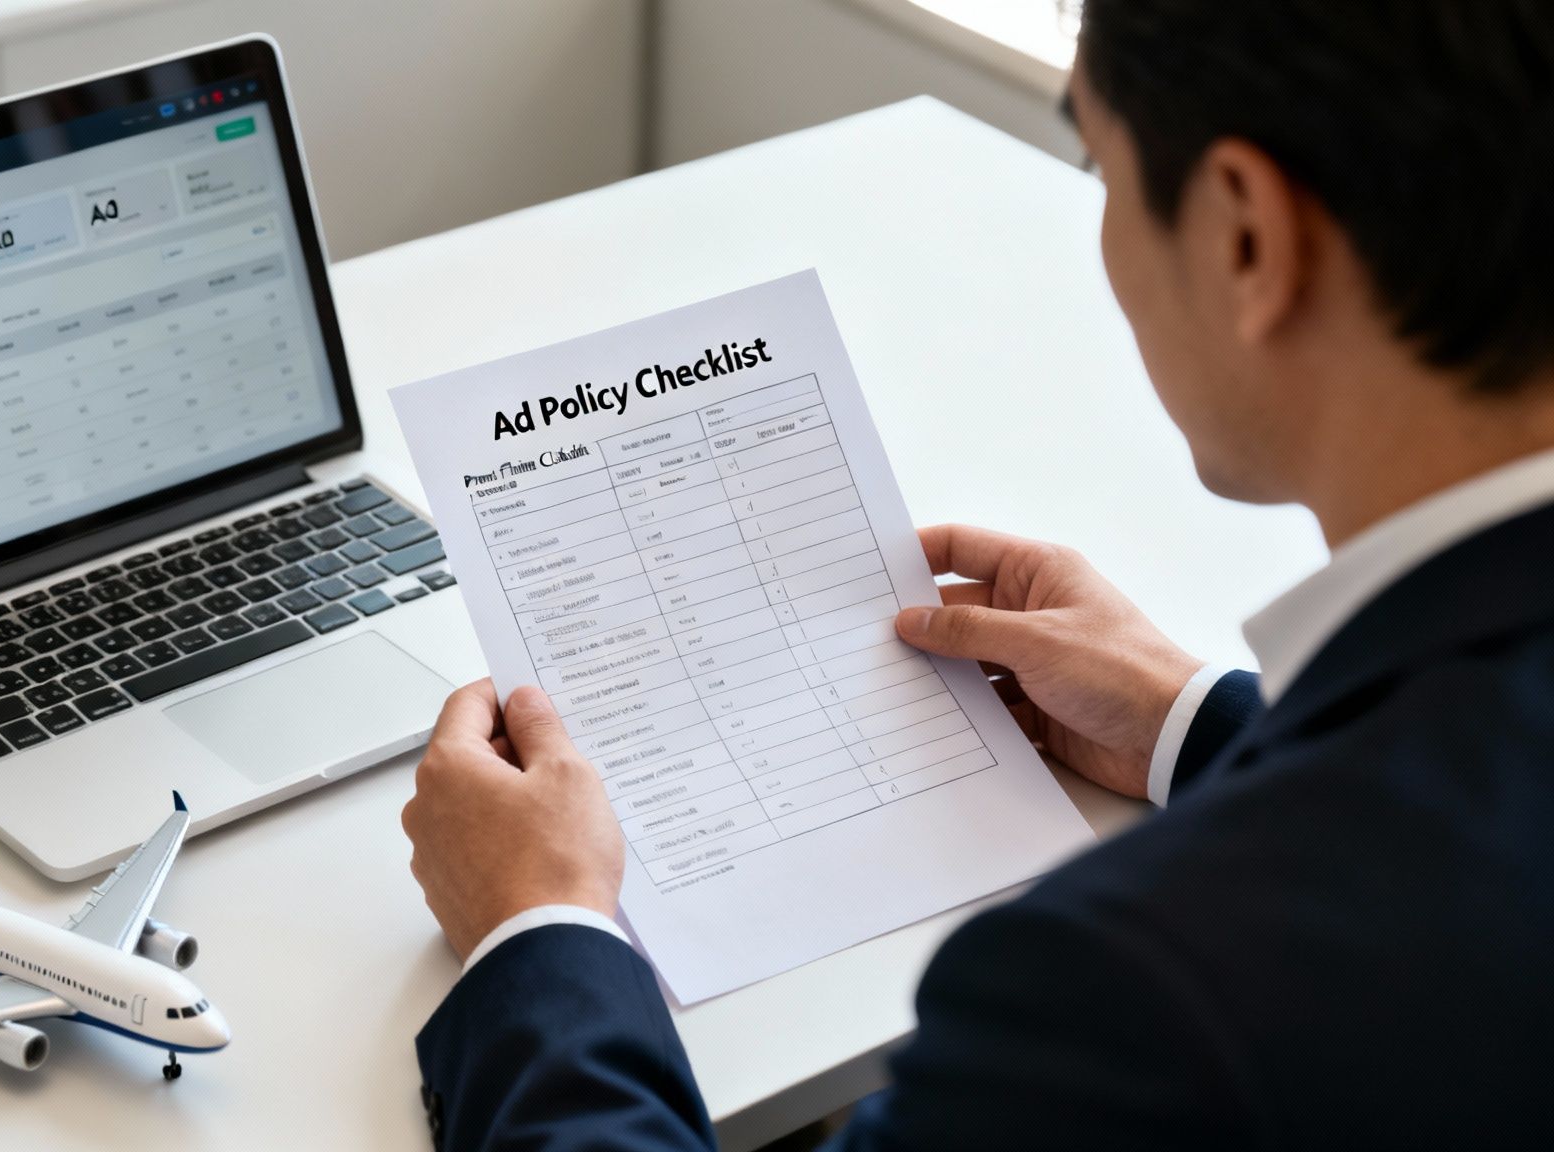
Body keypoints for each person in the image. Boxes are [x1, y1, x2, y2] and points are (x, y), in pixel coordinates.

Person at [398, 2, 1554, 1148]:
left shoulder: (1133, 987)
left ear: (1243, 233)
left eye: (1099, 167)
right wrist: (1189, 722)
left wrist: (536, 933)